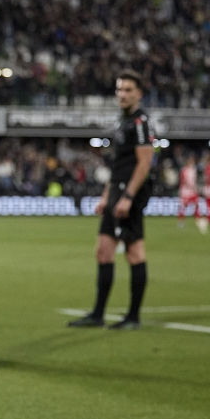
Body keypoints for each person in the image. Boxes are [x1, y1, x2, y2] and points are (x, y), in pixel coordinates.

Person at [68, 69, 153, 331]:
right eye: (119, 89)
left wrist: (127, 196)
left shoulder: (140, 123)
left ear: (138, 94)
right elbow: (118, 166)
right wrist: (107, 196)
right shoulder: (122, 122)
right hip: (117, 191)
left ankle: (133, 317)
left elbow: (144, 163)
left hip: (131, 193)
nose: (122, 94)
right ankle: (97, 314)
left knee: (134, 252)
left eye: (128, 90)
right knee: (104, 251)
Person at [176, 152, 203, 230]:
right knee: (183, 207)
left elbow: (195, 180)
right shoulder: (184, 170)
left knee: (196, 205)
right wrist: (190, 185)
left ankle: (198, 220)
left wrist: (195, 187)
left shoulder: (194, 170)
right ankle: (181, 221)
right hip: (185, 191)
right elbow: (183, 180)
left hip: (193, 191)